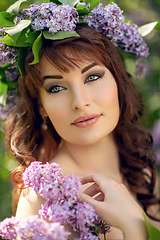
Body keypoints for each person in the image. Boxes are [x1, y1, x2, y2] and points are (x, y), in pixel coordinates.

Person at [0, 1, 160, 239]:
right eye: (55, 88)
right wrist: (134, 228)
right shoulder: (43, 199)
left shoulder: (141, 170)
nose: (80, 101)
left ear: (118, 80)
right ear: (41, 106)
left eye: (92, 76)